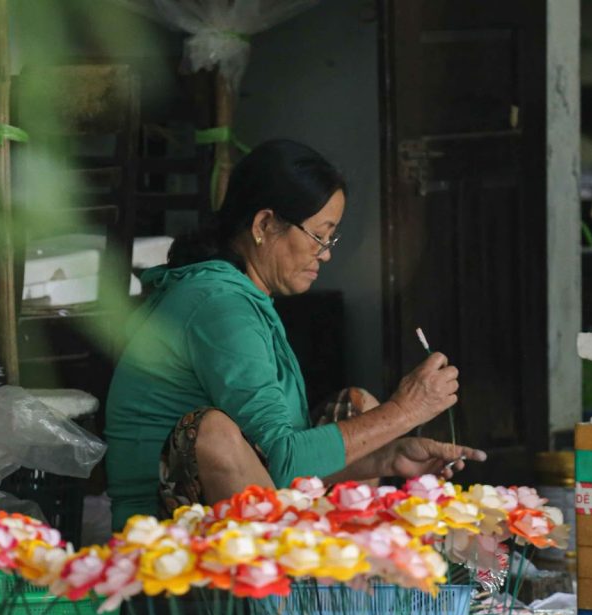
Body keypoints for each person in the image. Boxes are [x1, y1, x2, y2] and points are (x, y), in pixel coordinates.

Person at [104, 139, 486, 530]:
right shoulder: (219, 304)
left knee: (357, 407)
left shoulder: (236, 294)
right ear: (264, 225)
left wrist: (386, 458)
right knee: (213, 433)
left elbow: (273, 467)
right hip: (153, 528)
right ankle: (289, 583)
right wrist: (405, 411)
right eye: (320, 236)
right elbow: (284, 461)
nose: (325, 254)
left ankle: (325, 577)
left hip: (228, 504)